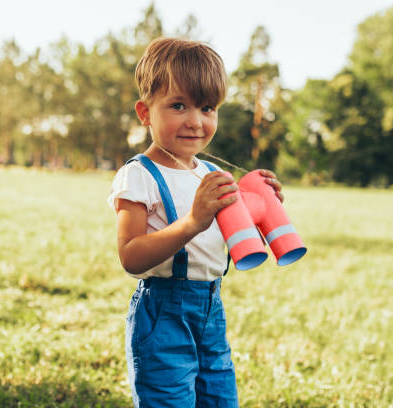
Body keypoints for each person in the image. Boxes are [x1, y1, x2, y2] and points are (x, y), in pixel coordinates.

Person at [108, 37, 283, 408]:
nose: (195, 121)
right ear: (145, 113)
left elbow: (233, 237)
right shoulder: (139, 175)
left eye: (207, 108)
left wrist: (262, 208)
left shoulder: (213, 172)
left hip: (210, 310)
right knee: (169, 400)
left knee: (220, 399)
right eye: (178, 105)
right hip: (163, 314)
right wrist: (191, 221)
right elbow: (130, 256)